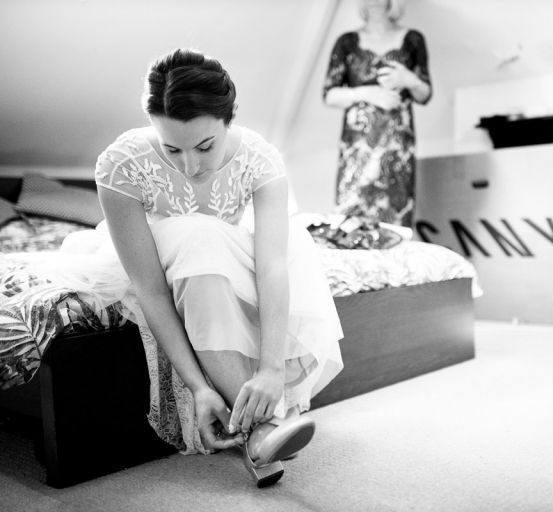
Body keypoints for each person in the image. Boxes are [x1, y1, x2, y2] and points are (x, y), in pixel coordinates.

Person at [75, 48, 342, 487]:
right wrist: (198, 387)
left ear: (228, 121)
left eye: (204, 146)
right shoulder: (121, 165)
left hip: (226, 258)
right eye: (171, 149)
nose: (191, 166)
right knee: (198, 239)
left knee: (285, 242)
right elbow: (151, 290)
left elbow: (273, 265)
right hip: (164, 264)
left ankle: (259, 421)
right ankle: (260, 430)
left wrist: (273, 367)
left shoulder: (260, 159)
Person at [323, 0, 431, 227]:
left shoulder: (413, 39)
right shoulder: (346, 42)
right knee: (350, 223)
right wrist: (365, 93)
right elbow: (329, 95)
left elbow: (424, 94)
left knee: (396, 223)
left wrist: (409, 80)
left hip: (397, 149)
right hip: (358, 150)